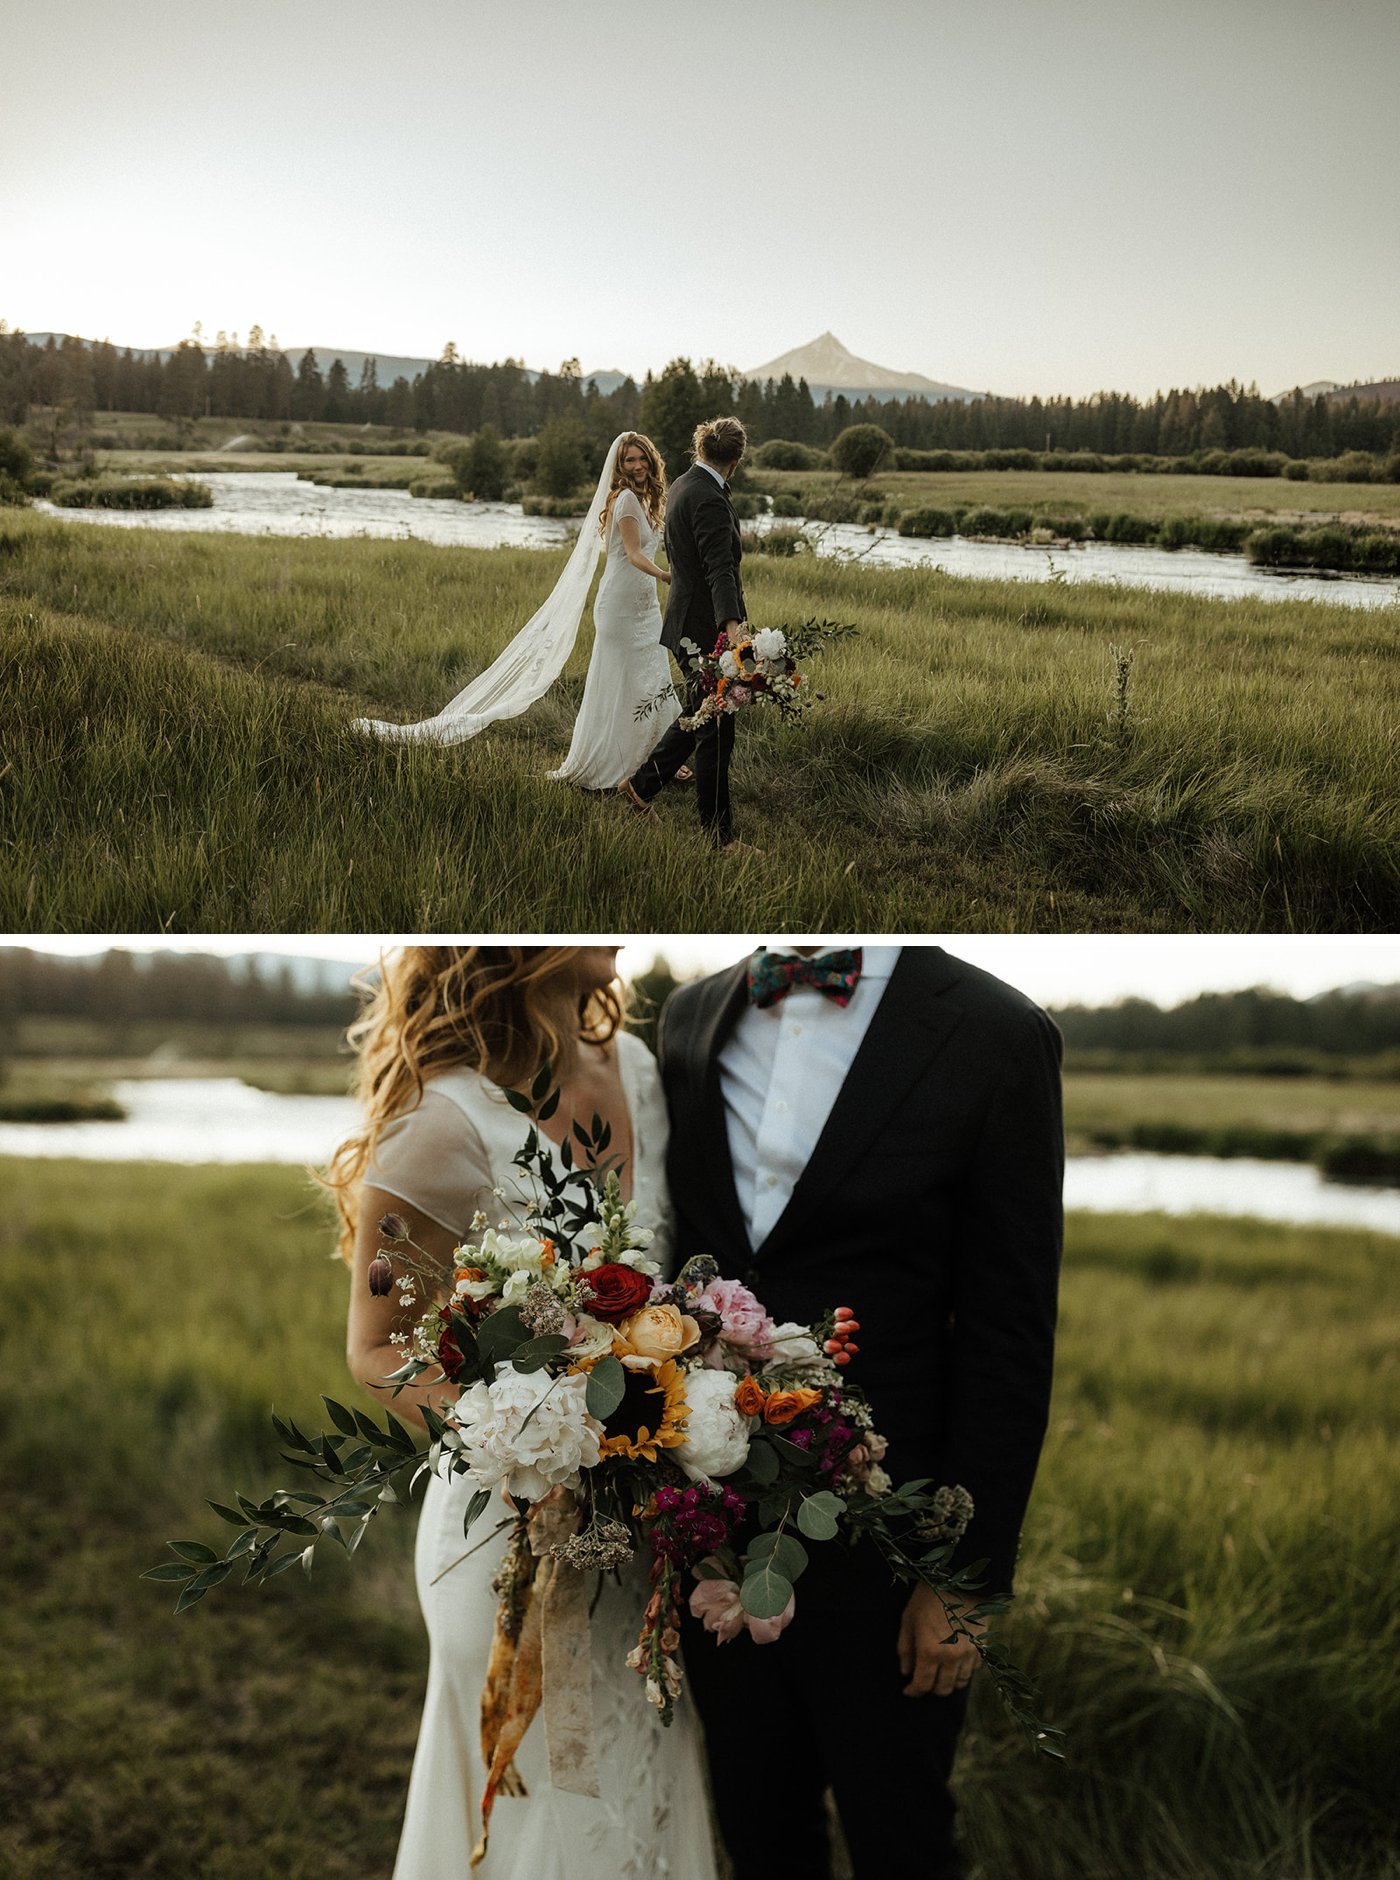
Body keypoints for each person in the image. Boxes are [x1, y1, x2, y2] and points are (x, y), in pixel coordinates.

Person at [656, 942, 1064, 1880]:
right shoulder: (689, 1015)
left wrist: (964, 1579)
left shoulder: (999, 1032)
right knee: (760, 1834)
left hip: (895, 1545)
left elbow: (1011, 1331)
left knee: (904, 1837)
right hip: (713, 1530)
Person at [327, 945, 717, 1880]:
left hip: (641, 1536)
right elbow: (380, 1343)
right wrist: (545, 1431)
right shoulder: (439, 1124)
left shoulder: (639, 1067)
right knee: (548, 1811)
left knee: (640, 1784)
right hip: (507, 1531)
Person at [353, 435, 681, 788]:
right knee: (622, 680)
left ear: (651, 460)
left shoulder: (645, 499)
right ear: (619, 466)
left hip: (642, 605)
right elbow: (633, 555)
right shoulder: (628, 499)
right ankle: (617, 761)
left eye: (642, 458)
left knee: (648, 676)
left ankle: (655, 756)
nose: (637, 466)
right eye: (629, 460)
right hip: (622, 606)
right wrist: (665, 574)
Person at [620, 416, 751, 851]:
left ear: (702, 449)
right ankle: (719, 838)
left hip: (683, 620)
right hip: (702, 628)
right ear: (736, 459)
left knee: (699, 713)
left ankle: (640, 788)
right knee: (716, 728)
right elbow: (720, 569)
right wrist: (733, 629)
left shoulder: (682, 484)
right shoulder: (709, 498)